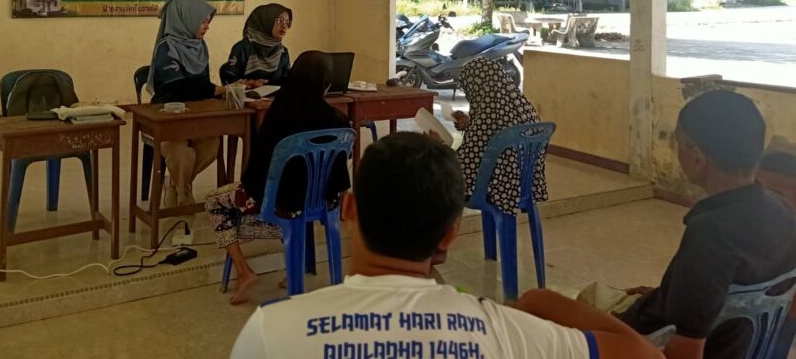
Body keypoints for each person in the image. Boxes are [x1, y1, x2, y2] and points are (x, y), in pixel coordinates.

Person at [230, 131, 661, 359]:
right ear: (451, 233)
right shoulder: (509, 334)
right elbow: (644, 355)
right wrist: (540, 300)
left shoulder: (273, 330)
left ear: (348, 208)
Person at [616, 90, 796, 359]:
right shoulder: (781, 211)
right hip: (736, 346)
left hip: (645, 342)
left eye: (679, 144)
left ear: (697, 158)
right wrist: (668, 295)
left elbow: (686, 351)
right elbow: (733, 293)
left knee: (569, 303)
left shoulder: (709, 234)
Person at [206, 51, 350, 305]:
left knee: (214, 201)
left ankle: (244, 271)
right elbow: (340, 175)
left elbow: (258, 170)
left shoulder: (279, 113)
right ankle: (297, 262)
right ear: (325, 82)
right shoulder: (337, 119)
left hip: (280, 207)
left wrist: (252, 193)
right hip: (321, 203)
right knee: (293, 195)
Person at [145, 0, 224, 209]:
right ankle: (183, 194)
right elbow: (181, 86)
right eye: (203, 21)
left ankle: (176, 185)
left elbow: (201, 85)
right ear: (185, 19)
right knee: (181, 153)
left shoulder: (200, 46)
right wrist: (220, 90)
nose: (207, 27)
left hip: (195, 115)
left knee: (212, 145)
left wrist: (222, 91)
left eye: (208, 21)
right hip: (168, 118)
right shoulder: (166, 47)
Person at [453, 58, 548, 215]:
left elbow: (469, 158)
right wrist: (470, 125)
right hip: (526, 187)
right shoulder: (523, 108)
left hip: (499, 191)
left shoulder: (487, 118)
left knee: (437, 176)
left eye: (468, 87)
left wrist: (439, 146)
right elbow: (494, 132)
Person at [756, 141, 796, 359]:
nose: (760, 202)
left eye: (773, 194)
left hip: (774, 330)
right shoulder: (741, 230)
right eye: (755, 190)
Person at [221, 3, 293, 86]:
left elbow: (286, 81)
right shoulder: (242, 48)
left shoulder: (283, 51)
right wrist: (248, 84)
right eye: (280, 20)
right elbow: (229, 83)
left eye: (287, 22)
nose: (284, 26)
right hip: (247, 94)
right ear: (265, 21)